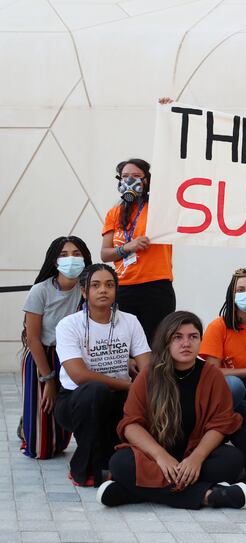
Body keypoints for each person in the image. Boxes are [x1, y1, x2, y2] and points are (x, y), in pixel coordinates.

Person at [98, 311, 246, 509]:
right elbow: (131, 425)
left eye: (193, 337)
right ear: (166, 341)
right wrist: (161, 456)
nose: (186, 343)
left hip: (195, 454)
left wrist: (196, 458)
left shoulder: (212, 375)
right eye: (177, 337)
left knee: (232, 459)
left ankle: (131, 492)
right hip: (155, 457)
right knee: (120, 463)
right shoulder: (149, 375)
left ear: (200, 341)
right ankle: (208, 496)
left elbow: (221, 424)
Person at [54, 264, 151, 486]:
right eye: (95, 285)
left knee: (114, 454)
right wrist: (129, 386)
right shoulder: (69, 325)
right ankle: (83, 470)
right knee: (95, 391)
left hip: (119, 400)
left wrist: (141, 388)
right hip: (76, 400)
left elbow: (147, 366)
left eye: (109, 285)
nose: (103, 290)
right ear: (84, 291)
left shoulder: (130, 321)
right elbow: (79, 376)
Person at [20, 236, 91, 459]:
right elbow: (33, 339)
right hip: (44, 356)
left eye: (77, 254)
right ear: (54, 261)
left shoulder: (89, 289)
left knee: (64, 425)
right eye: (64, 254)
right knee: (42, 448)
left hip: (75, 357)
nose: (71, 259)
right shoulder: (40, 291)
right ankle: (27, 427)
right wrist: (48, 379)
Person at [101, 158, 175, 343]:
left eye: (135, 176)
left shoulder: (159, 208)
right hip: (124, 287)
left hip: (156, 286)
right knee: (126, 344)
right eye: (125, 176)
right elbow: (105, 254)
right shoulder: (114, 213)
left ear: (146, 181)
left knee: (155, 344)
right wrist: (127, 247)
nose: (129, 181)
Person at [199, 268, 246, 428]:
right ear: (232, 295)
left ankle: (234, 422)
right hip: (221, 392)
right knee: (234, 384)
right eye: (240, 290)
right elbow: (211, 371)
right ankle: (211, 427)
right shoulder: (218, 326)